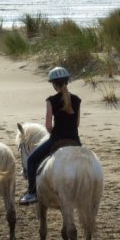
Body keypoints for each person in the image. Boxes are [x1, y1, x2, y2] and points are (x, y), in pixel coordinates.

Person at [19, 66, 81, 205]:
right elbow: (76, 124)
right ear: (67, 81)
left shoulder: (51, 100)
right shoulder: (77, 99)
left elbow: (47, 126)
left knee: (32, 161)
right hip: (75, 140)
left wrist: (56, 132)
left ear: (54, 84)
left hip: (57, 139)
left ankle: (32, 193)